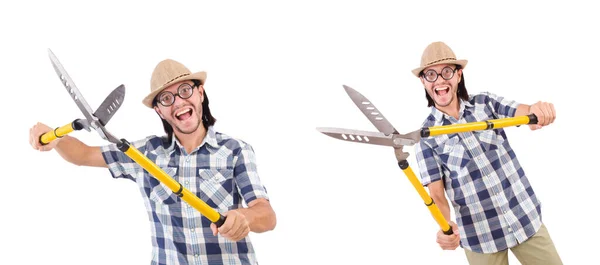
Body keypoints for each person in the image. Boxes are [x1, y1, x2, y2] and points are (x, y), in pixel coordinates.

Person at [29, 58, 277, 265]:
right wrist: (56, 138)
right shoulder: (146, 154)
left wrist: (243, 217)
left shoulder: (235, 150)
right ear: (159, 110)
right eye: (166, 99)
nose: (178, 101)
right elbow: (83, 155)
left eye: (185, 90)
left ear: (200, 93)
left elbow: (266, 215)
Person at [411, 41, 562, 265]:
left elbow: (524, 111)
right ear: (423, 81)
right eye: (431, 74)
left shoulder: (486, 104)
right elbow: (438, 196)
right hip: (480, 237)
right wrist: (445, 225)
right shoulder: (426, 138)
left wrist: (535, 110)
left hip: (524, 217)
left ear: (458, 75)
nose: (440, 80)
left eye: (446, 72)